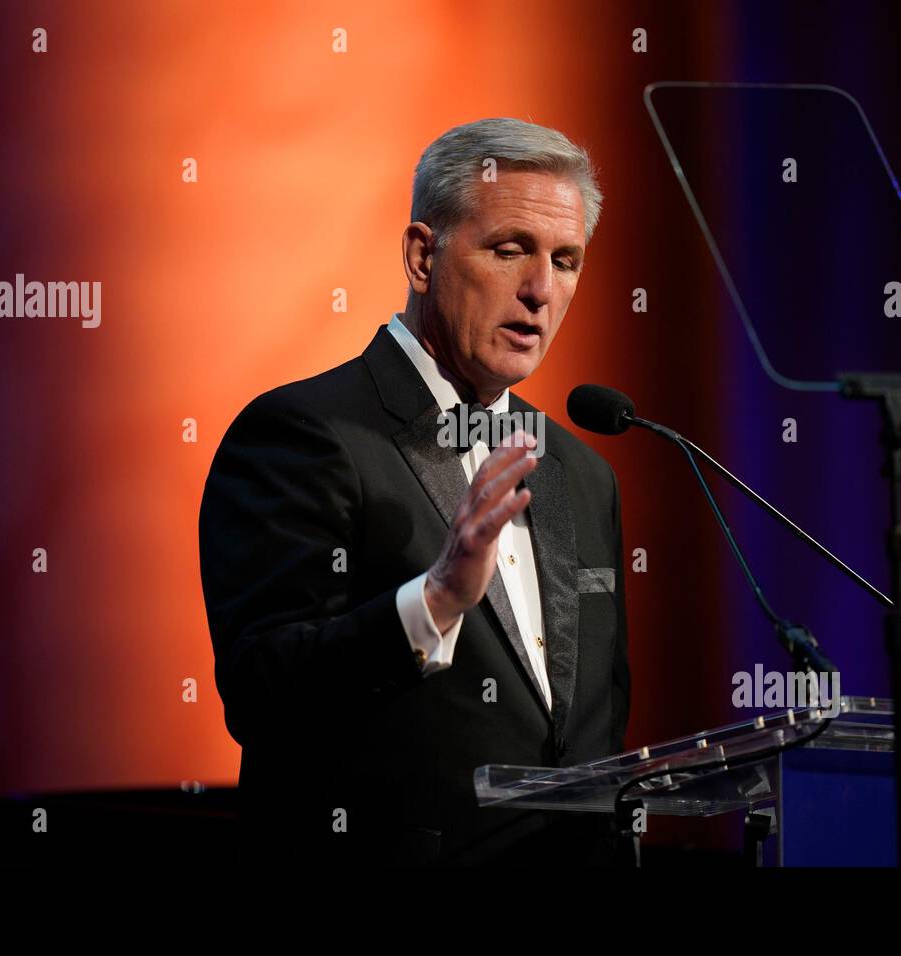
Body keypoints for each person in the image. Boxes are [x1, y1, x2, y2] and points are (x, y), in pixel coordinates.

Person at [199, 117, 630, 865]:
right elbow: (263, 695)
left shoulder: (582, 474)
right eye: (510, 249)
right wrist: (436, 600)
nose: (539, 290)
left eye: (566, 261)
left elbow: (591, 729)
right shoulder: (304, 434)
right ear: (423, 255)